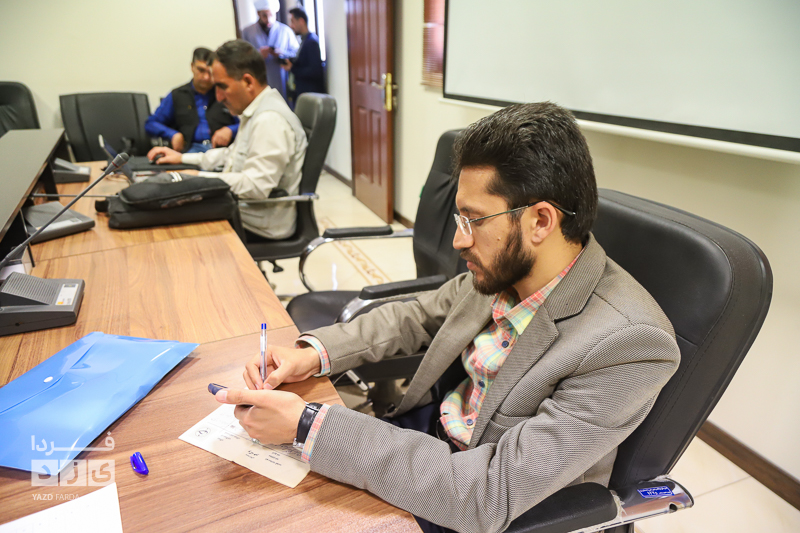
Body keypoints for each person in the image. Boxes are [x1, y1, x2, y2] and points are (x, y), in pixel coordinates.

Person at [214, 103, 681, 533]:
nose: (458, 241)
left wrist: (308, 426)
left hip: (474, 498)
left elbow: (487, 493)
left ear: (540, 221)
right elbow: (416, 315)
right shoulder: (509, 269)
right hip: (430, 436)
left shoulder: (629, 343)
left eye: (472, 220)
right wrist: (312, 353)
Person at [147, 40, 307, 240]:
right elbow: (231, 154)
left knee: (167, 216)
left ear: (248, 82)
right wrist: (182, 159)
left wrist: (197, 179)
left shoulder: (269, 120)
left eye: (222, 86)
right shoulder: (257, 110)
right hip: (247, 210)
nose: (219, 97)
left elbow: (255, 186)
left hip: (260, 223)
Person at [144, 47, 239, 153]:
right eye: (201, 70)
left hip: (222, 151)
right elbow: (151, 123)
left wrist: (230, 130)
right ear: (192, 67)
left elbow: (246, 122)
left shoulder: (224, 93)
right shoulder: (178, 95)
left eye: (210, 72)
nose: (206, 77)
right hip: (190, 150)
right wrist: (172, 134)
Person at [241, 0, 299, 102]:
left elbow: (296, 53)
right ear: (258, 13)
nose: (268, 19)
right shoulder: (247, 32)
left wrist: (282, 53)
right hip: (258, 80)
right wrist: (257, 54)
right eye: (264, 15)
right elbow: (241, 57)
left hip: (280, 80)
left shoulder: (285, 31)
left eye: (271, 15)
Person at [284, 7, 325, 106]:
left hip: (310, 95)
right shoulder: (304, 40)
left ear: (301, 21)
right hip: (303, 94)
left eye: (293, 21)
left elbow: (315, 71)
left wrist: (292, 68)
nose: (291, 26)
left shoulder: (311, 42)